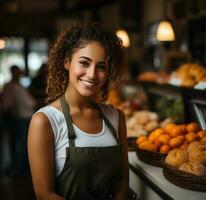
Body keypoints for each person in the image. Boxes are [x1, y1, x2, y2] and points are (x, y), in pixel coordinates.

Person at [28, 23, 130, 200]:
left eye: (101, 67)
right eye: (84, 63)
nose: (91, 74)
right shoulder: (45, 121)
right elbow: (44, 194)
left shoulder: (116, 117)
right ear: (67, 62)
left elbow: (122, 181)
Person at [2, 65, 36, 176]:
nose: (19, 74)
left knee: (22, 144)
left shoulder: (18, 85)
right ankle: (18, 169)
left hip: (24, 118)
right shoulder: (11, 86)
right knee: (20, 145)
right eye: (17, 72)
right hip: (20, 119)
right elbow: (7, 105)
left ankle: (20, 168)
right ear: (13, 72)